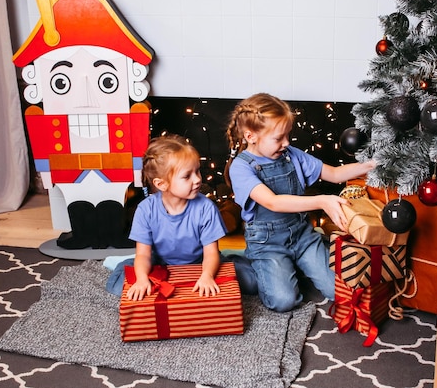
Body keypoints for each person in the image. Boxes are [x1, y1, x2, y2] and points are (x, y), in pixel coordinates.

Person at [225, 93, 376, 312]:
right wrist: (322, 201)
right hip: (268, 243)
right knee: (283, 300)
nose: (286, 143)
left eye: (288, 136)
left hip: (302, 235)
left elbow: (334, 174)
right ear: (251, 136)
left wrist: (370, 165)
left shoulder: (291, 155)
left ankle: (300, 263)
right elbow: (273, 202)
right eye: (278, 138)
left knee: (338, 291)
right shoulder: (242, 167)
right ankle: (243, 265)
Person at [106, 134, 256, 299]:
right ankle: (125, 264)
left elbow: (211, 253)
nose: (198, 179)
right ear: (161, 184)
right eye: (187, 176)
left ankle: (234, 259)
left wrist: (207, 275)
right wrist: (142, 279)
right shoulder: (145, 209)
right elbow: (143, 254)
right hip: (160, 262)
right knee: (119, 284)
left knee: (251, 282)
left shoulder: (206, 207)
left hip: (201, 261)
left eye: (197, 171)